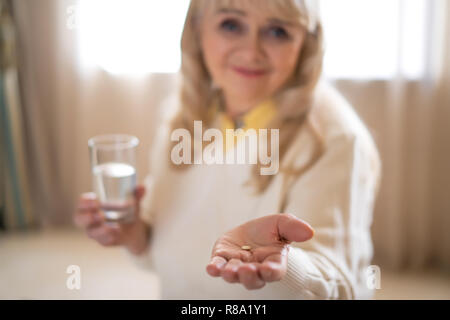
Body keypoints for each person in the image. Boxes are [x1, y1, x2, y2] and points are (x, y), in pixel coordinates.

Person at [74, 0, 381, 299]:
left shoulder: (336, 139)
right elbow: (169, 260)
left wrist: (285, 268)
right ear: (197, 29)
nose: (251, 51)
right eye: (231, 25)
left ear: (307, 43)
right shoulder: (183, 117)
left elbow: (341, 288)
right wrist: (137, 236)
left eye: (277, 32)